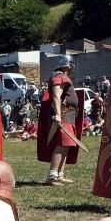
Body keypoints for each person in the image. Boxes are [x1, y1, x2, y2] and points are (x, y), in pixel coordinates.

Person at [42, 55, 80, 186]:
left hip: (68, 114)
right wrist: (58, 114)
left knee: (67, 145)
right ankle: (52, 176)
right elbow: (56, 96)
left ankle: (59, 175)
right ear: (68, 65)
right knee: (63, 144)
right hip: (62, 114)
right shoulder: (59, 75)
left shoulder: (63, 76)